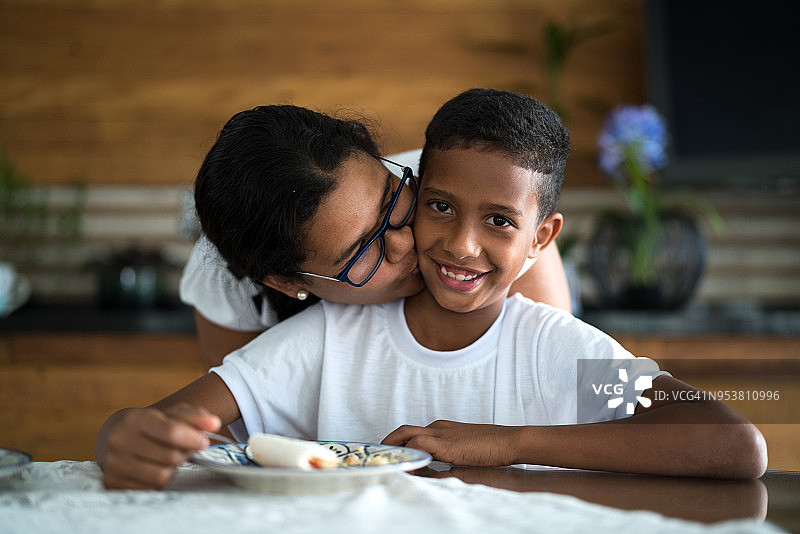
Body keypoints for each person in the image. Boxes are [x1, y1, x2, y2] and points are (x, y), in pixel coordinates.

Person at [96, 90, 766, 490]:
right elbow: (196, 428)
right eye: (362, 253)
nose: (427, 242)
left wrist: (512, 439)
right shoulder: (315, 339)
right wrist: (123, 435)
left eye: (400, 206)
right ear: (290, 285)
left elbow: (566, 388)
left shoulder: (463, 203)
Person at [180, 156, 572, 368]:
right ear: (286, 282)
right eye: (361, 252)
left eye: (393, 202)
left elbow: (601, 403)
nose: (404, 241)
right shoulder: (226, 282)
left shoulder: (479, 200)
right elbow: (245, 436)